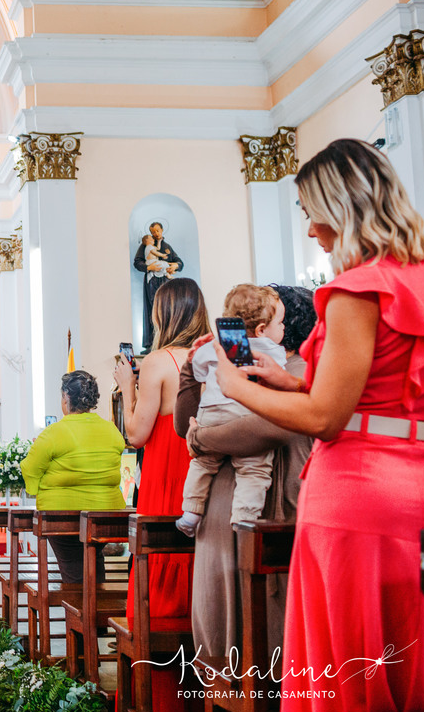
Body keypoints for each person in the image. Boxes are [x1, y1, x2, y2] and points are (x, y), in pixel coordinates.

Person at [210, 139, 424, 712]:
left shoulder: (356, 288)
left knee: (352, 683)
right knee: (423, 674)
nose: (310, 229)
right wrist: (289, 382)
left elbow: (326, 419)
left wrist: (239, 387)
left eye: (311, 210)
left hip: (361, 498)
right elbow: (380, 387)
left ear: (341, 207)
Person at [175, 284, 316, 664]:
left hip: (273, 507)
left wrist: (202, 438)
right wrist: (191, 368)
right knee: (224, 619)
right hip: (233, 508)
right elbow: (180, 423)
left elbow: (267, 428)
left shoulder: (299, 370)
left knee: (267, 627)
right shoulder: (246, 360)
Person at [112, 276, 210, 712]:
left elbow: (136, 433)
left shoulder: (158, 361)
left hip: (168, 479)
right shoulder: (211, 356)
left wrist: (126, 384)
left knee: (159, 584)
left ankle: (163, 709)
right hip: (204, 474)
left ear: (162, 313)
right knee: (198, 581)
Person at [176, 284, 286, 537]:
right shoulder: (275, 352)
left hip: (212, 413)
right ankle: (243, 519)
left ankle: (191, 513)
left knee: (203, 462)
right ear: (261, 329)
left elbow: (198, 369)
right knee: (254, 468)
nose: (283, 329)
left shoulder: (213, 345)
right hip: (246, 412)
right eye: (280, 323)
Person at [20, 370, 125, 584]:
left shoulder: (53, 433)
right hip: (106, 517)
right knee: (93, 559)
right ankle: (97, 607)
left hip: (64, 519)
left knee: (74, 569)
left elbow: (30, 468)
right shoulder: (112, 430)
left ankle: (83, 612)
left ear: (66, 397)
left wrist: (39, 487)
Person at [132, 222, 184, 351]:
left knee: (168, 308)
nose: (155, 233)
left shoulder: (167, 247)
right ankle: (153, 342)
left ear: (162, 230)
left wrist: (175, 266)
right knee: (154, 308)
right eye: (153, 231)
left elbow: (179, 262)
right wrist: (149, 267)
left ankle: (168, 340)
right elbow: (137, 262)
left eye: (157, 231)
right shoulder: (147, 245)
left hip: (165, 282)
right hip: (153, 281)